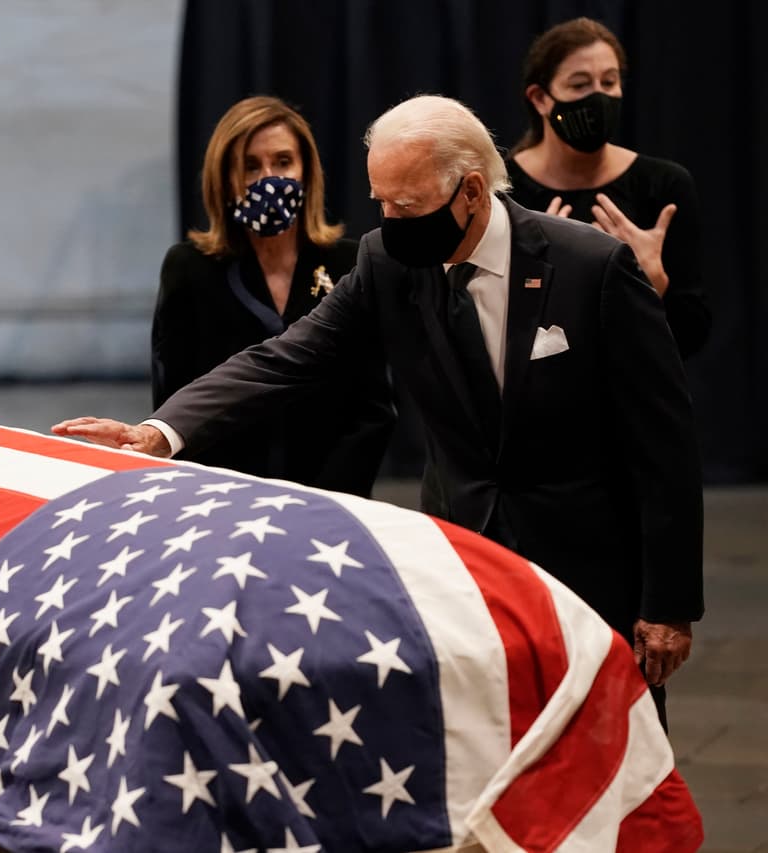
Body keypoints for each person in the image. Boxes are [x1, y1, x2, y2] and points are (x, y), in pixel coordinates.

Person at [54, 94, 703, 725]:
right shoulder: (389, 261)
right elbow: (289, 357)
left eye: (408, 204)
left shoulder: (590, 266)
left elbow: (663, 438)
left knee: (613, 765)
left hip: (588, 568)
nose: (391, 220)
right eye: (381, 202)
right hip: (467, 565)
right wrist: (161, 430)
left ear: (472, 191)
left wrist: (669, 604)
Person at [153, 96, 394, 495]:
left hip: (332, 499)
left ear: (306, 173)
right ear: (225, 179)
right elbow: (176, 399)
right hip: (224, 497)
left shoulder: (350, 261)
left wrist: (326, 498)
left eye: (283, 162)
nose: (268, 178)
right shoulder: (189, 269)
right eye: (251, 165)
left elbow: (373, 408)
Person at [506, 17, 711, 358]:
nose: (599, 98)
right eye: (580, 85)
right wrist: (532, 281)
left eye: (609, 82)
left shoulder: (664, 185)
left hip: (634, 398)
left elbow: (692, 337)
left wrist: (653, 284)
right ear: (540, 98)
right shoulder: (504, 191)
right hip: (538, 402)